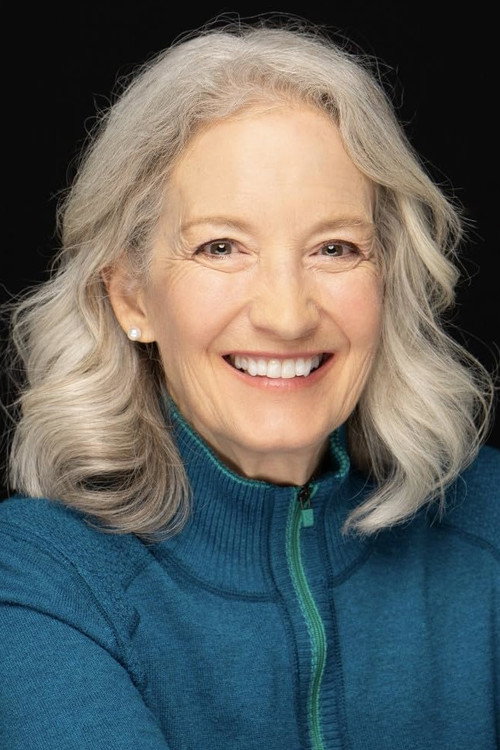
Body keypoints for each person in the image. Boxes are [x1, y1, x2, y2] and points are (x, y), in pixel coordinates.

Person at [0, 16, 498, 750]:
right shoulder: (43, 577)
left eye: (336, 248)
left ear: (389, 280)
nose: (287, 315)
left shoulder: (488, 521)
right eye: (221, 247)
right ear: (131, 296)